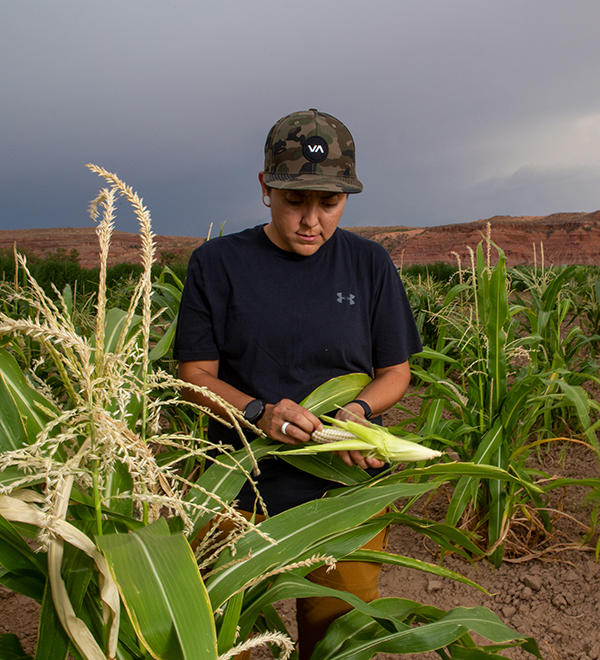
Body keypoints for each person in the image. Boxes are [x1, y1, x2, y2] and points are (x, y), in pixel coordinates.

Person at [173, 108, 422, 659]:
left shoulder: (370, 265)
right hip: (238, 493)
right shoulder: (217, 265)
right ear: (265, 188)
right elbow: (194, 377)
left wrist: (356, 412)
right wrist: (259, 411)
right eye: (295, 201)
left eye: (329, 203)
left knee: (339, 641)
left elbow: (396, 372)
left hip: (345, 498)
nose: (312, 220)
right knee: (219, 639)